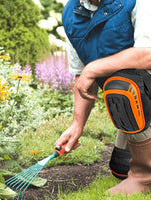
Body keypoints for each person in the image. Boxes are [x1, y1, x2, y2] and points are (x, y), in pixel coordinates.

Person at [54, 0, 151, 195]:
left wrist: (93, 68)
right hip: (140, 93)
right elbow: (82, 77)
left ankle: (143, 177)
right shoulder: (71, 14)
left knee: (121, 86)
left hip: (141, 82)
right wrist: (77, 125)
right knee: (120, 168)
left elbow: (147, 54)